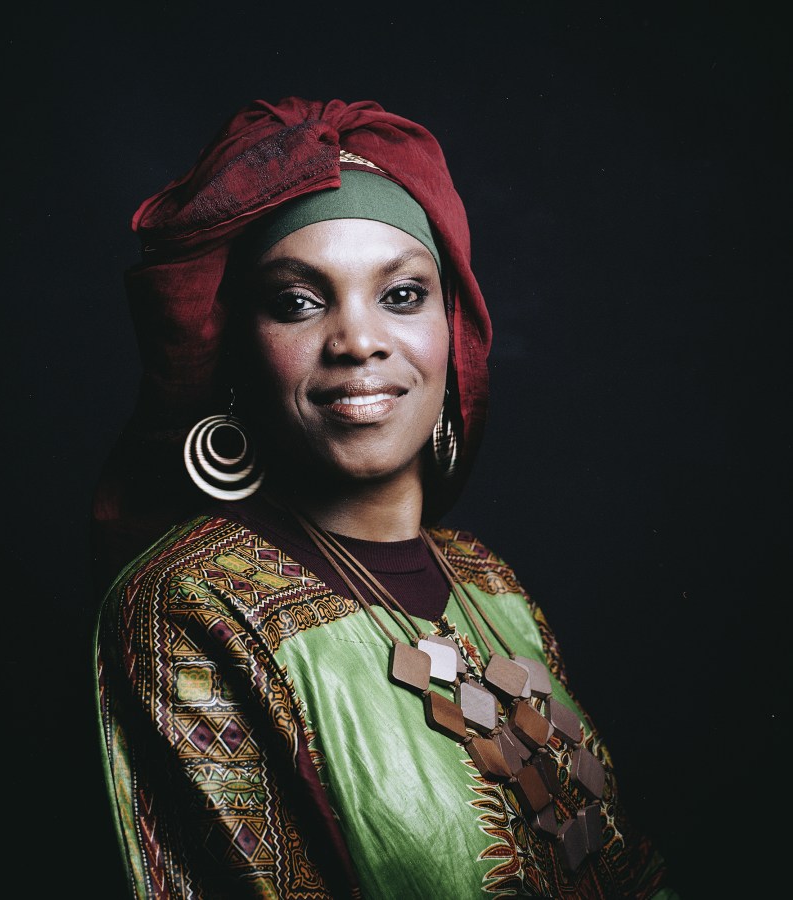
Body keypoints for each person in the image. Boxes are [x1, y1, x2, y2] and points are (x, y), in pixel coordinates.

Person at [92, 97, 678, 899]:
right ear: (240, 352)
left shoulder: (491, 584)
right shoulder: (193, 602)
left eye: (401, 295)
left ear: (452, 333)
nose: (359, 341)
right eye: (298, 302)